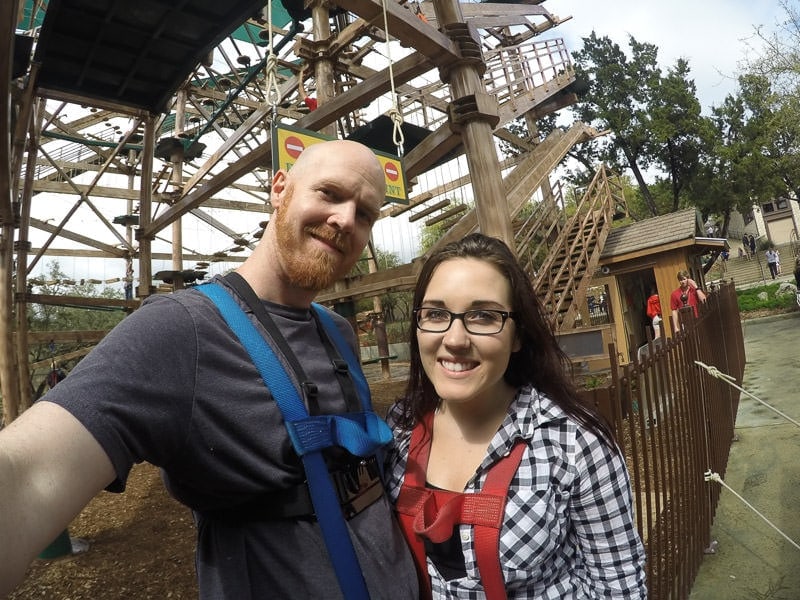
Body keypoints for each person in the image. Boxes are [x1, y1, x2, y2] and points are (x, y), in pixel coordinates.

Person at [0, 140, 419, 599]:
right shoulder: (183, 330)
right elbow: (27, 474)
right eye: (329, 193)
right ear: (280, 189)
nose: (344, 219)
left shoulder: (339, 331)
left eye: (365, 214)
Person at [385, 233, 647, 598]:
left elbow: (618, 588)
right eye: (436, 314)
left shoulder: (574, 444)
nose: (456, 338)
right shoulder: (398, 428)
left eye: (483, 316)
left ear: (518, 335)